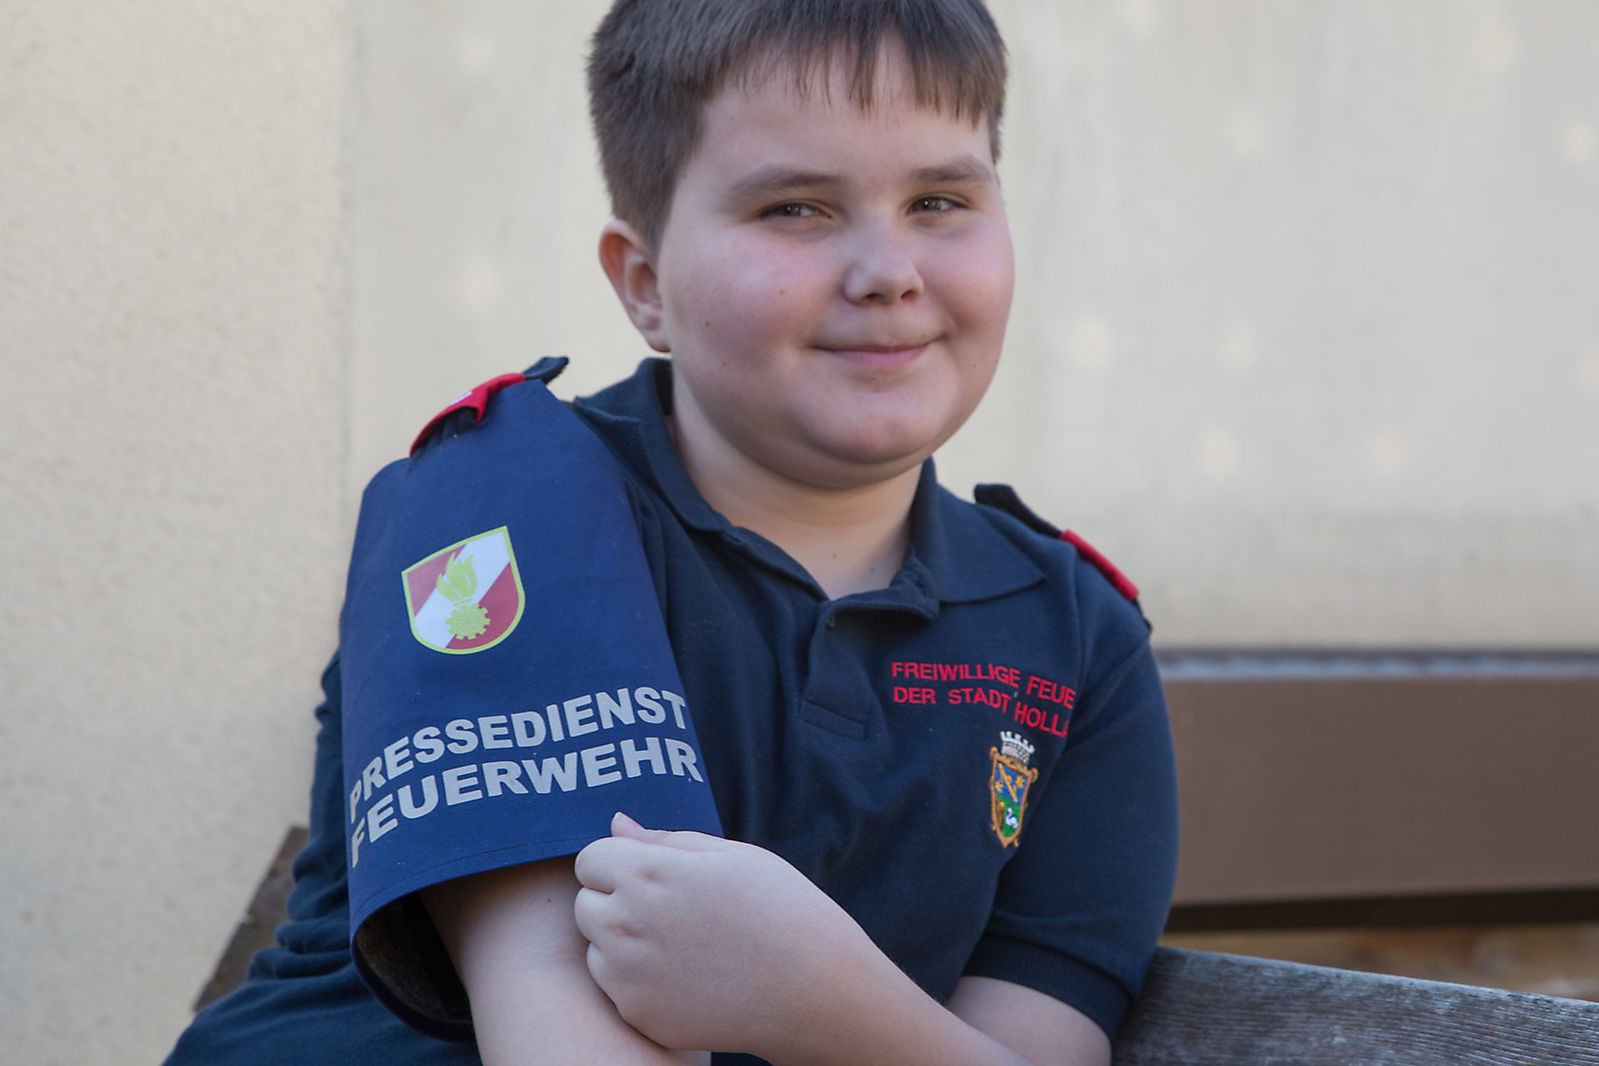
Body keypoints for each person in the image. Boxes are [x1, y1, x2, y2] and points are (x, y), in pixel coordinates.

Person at [164, 2, 1178, 1064]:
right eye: (796, 208)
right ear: (644, 285)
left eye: (939, 200)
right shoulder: (500, 504)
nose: (889, 270)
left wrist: (820, 996)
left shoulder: (1078, 639)